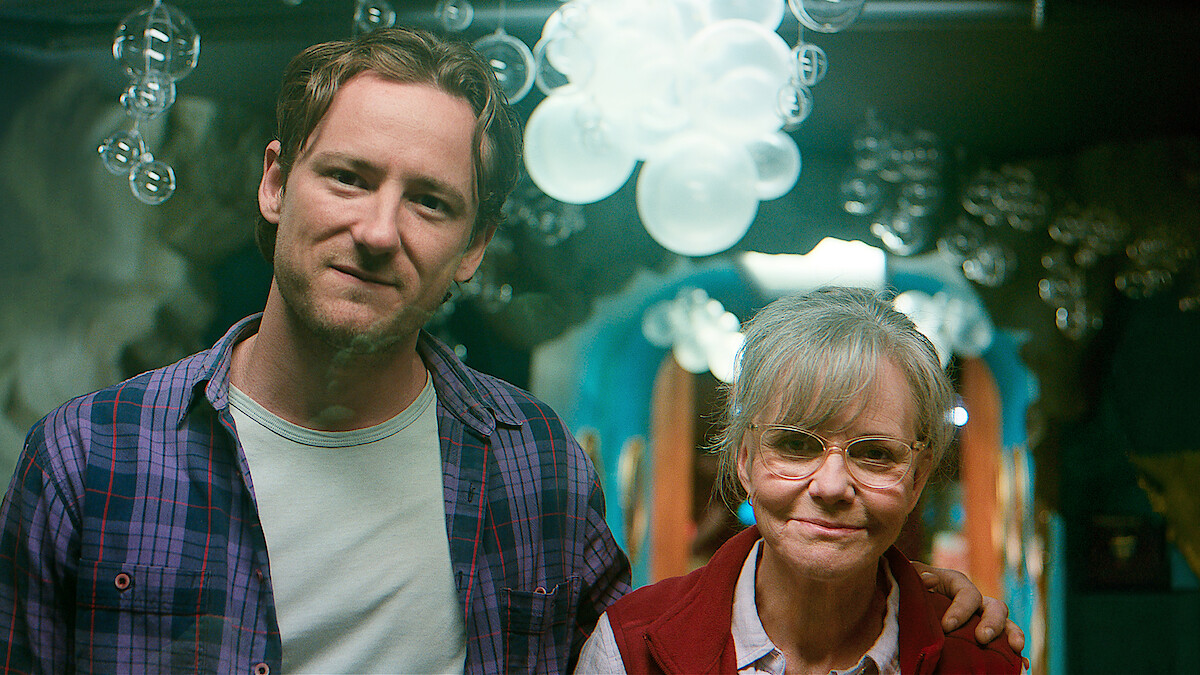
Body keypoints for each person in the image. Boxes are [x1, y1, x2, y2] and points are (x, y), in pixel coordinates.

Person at [0, 28, 1013, 675]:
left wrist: (905, 603)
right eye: (349, 176)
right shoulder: (92, 458)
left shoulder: (526, 461)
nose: (379, 229)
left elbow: (658, 645)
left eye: (431, 200)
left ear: (474, 248)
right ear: (275, 183)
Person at [577, 287, 1024, 674]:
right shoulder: (631, 648)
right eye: (795, 445)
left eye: (874, 453)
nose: (831, 487)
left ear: (918, 479)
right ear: (744, 460)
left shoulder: (980, 660)